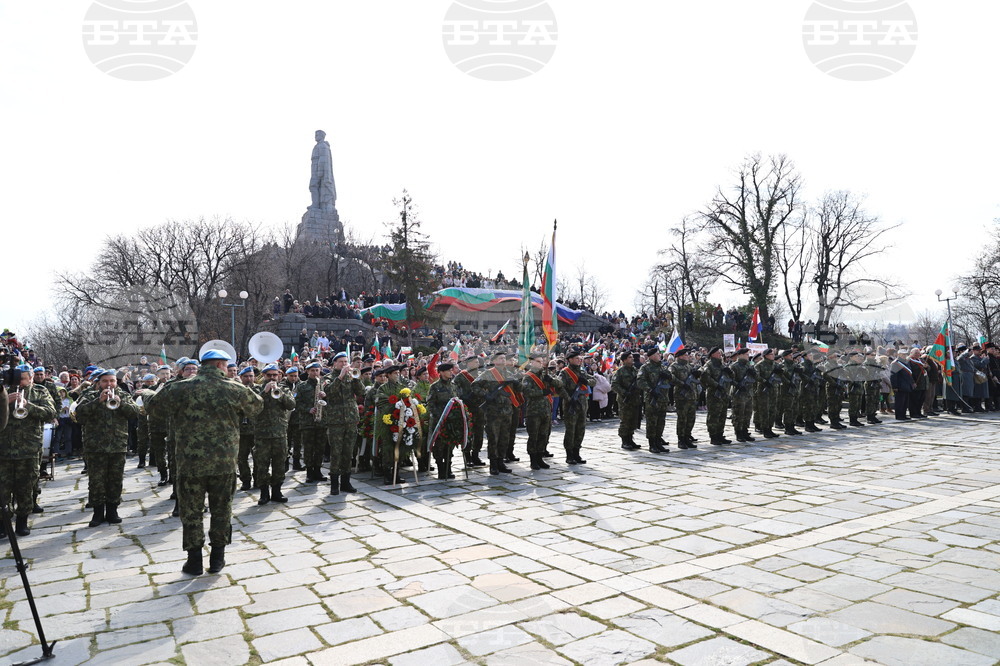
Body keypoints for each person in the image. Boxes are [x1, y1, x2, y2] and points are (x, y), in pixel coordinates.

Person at [147, 349, 262, 575]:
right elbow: (257, 407)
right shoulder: (234, 388)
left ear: (203, 365)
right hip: (224, 463)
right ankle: (218, 558)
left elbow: (153, 408)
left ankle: (194, 561)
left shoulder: (180, 387)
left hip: (190, 464)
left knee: (191, 511)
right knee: (222, 510)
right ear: (221, 365)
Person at [74, 368, 139, 526]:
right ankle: (97, 513)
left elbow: (135, 412)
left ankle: (112, 510)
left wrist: (121, 402)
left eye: (112, 381)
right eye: (105, 381)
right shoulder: (89, 396)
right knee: (96, 481)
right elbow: (79, 415)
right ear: (99, 382)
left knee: (115, 479)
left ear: (116, 382)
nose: (109, 384)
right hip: (95, 446)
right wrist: (98, 402)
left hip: (117, 445)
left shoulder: (123, 395)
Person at [1, 365, 56, 537]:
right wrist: (3, 402)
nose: (20, 382)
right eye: (18, 379)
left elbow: (50, 412)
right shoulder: (3, 391)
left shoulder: (40, 391)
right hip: (3, 449)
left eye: (24, 378)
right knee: (3, 489)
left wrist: (28, 405)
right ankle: (3, 523)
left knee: (25, 487)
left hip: (29, 449)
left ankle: (22, 521)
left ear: (31, 378)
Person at [254, 365, 296, 505]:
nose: (272, 378)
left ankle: (277, 491)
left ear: (279, 376)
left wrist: (281, 394)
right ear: (264, 375)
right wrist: (264, 393)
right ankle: (264, 493)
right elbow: (251, 406)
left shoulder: (284, 389)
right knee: (262, 465)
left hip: (279, 433)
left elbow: (291, 405)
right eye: (269, 375)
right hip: (262, 434)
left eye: (275, 375)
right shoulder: (256, 390)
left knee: (279, 464)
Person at [324, 352, 364, 495]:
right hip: (336, 421)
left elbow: (361, 392)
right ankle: (334, 483)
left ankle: (346, 482)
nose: (343, 364)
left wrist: (356, 378)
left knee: (348, 452)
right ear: (335, 364)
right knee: (336, 452)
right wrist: (340, 376)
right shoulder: (329, 377)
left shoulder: (351, 376)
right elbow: (328, 392)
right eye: (340, 362)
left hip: (351, 420)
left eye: (345, 361)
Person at [521, 353, 561, 469]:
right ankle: (533, 460)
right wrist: (542, 392)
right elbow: (527, 392)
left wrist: (551, 381)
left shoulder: (545, 374)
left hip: (546, 410)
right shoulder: (528, 376)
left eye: (541, 361)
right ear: (531, 362)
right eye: (538, 361)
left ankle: (540, 457)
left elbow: (560, 384)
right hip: (534, 411)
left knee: (543, 435)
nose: (541, 363)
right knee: (534, 436)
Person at [427, 361, 464, 479]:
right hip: (440, 422)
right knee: (439, 447)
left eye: (451, 370)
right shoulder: (435, 387)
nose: (451, 372)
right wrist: (440, 416)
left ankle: (448, 468)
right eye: (448, 371)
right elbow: (431, 403)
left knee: (450, 445)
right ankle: (440, 469)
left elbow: (458, 401)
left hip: (452, 422)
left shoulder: (454, 386)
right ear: (441, 372)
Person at [295, 362, 329, 483]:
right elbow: (296, 403)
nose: (315, 373)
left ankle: (318, 470)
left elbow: (330, 402)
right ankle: (309, 471)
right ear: (308, 371)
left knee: (320, 447)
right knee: (309, 447)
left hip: (321, 421)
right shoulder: (301, 386)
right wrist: (307, 409)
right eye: (313, 370)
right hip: (307, 422)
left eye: (317, 370)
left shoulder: (324, 385)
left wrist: (325, 396)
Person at [559, 349, 595, 464]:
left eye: (580, 359)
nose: (579, 360)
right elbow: (560, 387)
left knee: (580, 429)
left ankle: (577, 453)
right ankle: (569, 455)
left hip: (583, 404)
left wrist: (586, 381)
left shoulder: (582, 372)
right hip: (571, 405)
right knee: (571, 430)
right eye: (576, 359)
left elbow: (594, 381)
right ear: (570, 360)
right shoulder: (564, 372)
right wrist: (568, 399)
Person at [636, 347, 672, 453]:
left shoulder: (662, 366)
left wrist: (667, 375)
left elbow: (671, 378)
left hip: (663, 398)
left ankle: (658, 441)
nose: (659, 355)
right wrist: (650, 390)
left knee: (661, 421)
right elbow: (640, 381)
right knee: (652, 421)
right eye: (657, 354)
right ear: (651, 356)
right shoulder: (645, 367)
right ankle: (652, 444)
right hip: (652, 398)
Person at [454, 355, 485, 468]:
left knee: (479, 432)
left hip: (479, 408)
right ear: (469, 363)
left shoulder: (481, 375)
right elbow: (455, 390)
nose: (478, 364)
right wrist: (463, 397)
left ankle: (476, 455)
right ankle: (467, 456)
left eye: (478, 362)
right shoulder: (461, 376)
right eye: (475, 362)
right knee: (468, 433)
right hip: (467, 409)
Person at [699, 347, 732, 445]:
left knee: (722, 415)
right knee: (714, 416)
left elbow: (730, 377)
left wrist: (730, 372)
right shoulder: (709, 365)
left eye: (720, 353)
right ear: (712, 354)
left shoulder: (722, 365)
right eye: (718, 353)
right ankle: (713, 436)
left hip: (723, 394)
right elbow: (704, 376)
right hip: (714, 394)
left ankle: (720, 435)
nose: (720, 355)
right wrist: (716, 385)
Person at [668, 348, 699, 449]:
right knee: (682, 418)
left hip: (691, 395)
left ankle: (687, 437)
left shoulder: (688, 366)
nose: (688, 356)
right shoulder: (674, 366)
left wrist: (696, 375)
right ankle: (681, 439)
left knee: (691, 418)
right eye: (686, 355)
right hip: (681, 396)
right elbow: (670, 376)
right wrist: (681, 383)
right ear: (680, 356)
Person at [611, 352, 642, 450]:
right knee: (625, 420)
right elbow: (614, 385)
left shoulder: (635, 370)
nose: (632, 359)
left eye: (632, 357)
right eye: (629, 357)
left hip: (635, 399)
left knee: (633, 420)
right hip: (625, 400)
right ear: (624, 360)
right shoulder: (620, 371)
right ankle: (624, 441)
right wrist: (624, 392)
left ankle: (630, 439)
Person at [728, 348, 756, 442]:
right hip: (739, 394)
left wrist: (753, 373)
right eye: (746, 354)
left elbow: (756, 377)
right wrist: (738, 385)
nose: (748, 356)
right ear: (740, 355)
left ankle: (745, 431)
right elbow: (730, 379)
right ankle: (738, 432)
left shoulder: (749, 365)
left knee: (747, 414)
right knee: (739, 414)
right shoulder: (734, 366)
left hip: (748, 393)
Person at [237, 367, 257, 490]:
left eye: (251, 376)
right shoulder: (236, 389)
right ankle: (245, 480)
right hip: (241, 430)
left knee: (258, 457)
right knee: (242, 458)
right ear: (241, 378)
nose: (249, 379)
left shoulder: (259, 389)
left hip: (256, 429)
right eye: (246, 376)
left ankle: (258, 479)